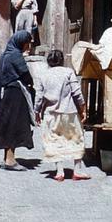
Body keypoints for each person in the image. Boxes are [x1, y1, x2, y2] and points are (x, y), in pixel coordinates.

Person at [35, 49, 90, 181]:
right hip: (69, 112)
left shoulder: (43, 75)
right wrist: (83, 109)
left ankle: (59, 172)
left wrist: (37, 112)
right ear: (62, 60)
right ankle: (77, 170)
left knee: (54, 139)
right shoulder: (68, 72)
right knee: (76, 138)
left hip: (51, 113)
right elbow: (77, 93)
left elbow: (39, 97)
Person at [0, 30, 35, 171]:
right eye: (27, 43)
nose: (28, 47)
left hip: (8, 94)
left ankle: (7, 158)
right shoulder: (16, 55)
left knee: (8, 125)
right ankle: (10, 160)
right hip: (16, 94)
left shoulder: (6, 54)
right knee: (14, 127)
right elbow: (26, 75)